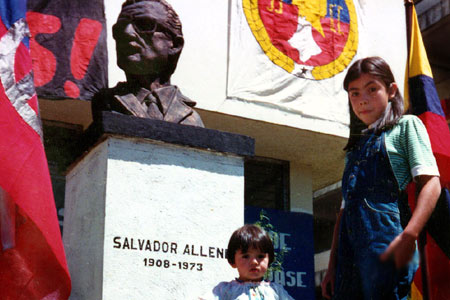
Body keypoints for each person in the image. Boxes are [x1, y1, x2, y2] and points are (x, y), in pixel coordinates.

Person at [320, 56, 441, 300]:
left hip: (387, 245)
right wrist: (332, 266)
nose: (362, 99)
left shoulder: (407, 126)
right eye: (354, 93)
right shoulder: (354, 151)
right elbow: (344, 213)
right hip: (348, 258)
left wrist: (409, 236)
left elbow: (431, 183)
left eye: (372, 89)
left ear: (391, 90)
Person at [91, 0, 204, 127]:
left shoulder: (191, 117)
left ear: (175, 45)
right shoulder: (106, 102)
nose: (127, 32)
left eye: (144, 25)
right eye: (120, 27)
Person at [200, 224, 294, 300]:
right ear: (233, 260)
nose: (254, 262)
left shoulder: (276, 290)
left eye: (260, 256)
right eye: (246, 256)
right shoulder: (225, 289)